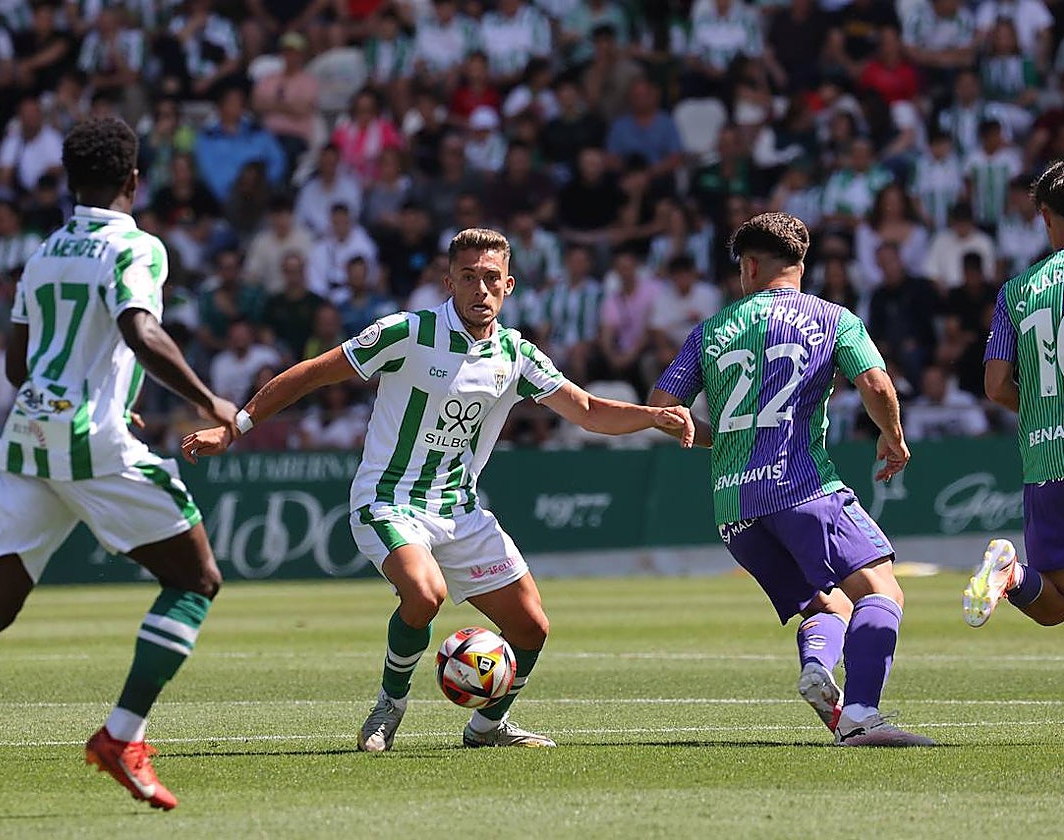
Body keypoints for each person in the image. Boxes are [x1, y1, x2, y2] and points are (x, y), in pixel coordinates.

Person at [181, 227, 694, 751]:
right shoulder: (406, 332)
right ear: (448, 282)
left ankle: (487, 727)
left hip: (460, 511)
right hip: (387, 500)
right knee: (425, 593)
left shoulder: (516, 354)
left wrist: (652, 417)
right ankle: (389, 706)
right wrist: (235, 427)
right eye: (468, 278)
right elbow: (313, 373)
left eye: (491, 278)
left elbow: (586, 410)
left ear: (509, 286)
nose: (480, 289)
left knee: (532, 630)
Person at [0, 117, 239, 822]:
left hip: (28, 437)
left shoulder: (40, 255)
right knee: (194, 581)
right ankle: (121, 736)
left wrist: (95, 383)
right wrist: (207, 398)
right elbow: (141, 329)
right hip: (89, 440)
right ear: (134, 180)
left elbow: (17, 365)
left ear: (70, 181)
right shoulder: (138, 246)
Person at [651, 212, 934, 747]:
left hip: (734, 510)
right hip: (801, 487)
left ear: (751, 266)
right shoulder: (832, 318)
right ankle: (863, 716)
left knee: (827, 604)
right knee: (881, 587)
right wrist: (893, 436)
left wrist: (727, 437)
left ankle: (817, 669)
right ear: (800, 264)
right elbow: (874, 382)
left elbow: (664, 409)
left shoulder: (710, 330)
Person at [964, 161, 1064, 630]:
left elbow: (996, 386)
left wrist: (1047, 408)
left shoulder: (1017, 290)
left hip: (1044, 458)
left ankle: (1013, 573)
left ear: (1045, 215)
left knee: (1056, 605)